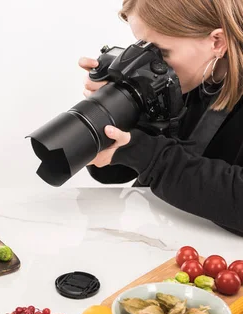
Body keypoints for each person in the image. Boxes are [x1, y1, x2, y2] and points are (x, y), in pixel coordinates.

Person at [79, 0, 243, 236]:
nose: (151, 61)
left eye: (162, 52)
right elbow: (118, 172)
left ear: (217, 42)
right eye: (143, 46)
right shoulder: (184, 77)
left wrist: (149, 156)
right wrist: (113, 109)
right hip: (162, 237)